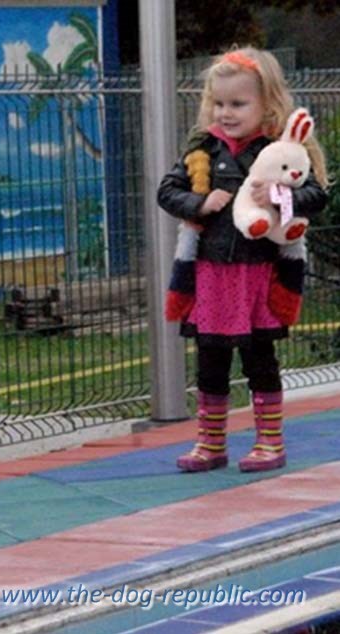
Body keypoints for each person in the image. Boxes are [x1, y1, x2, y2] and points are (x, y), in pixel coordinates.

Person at [157, 47, 328, 473]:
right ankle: (210, 442)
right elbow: (167, 191)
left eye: (238, 103)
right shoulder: (202, 151)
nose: (226, 112)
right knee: (210, 360)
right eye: (219, 103)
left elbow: (317, 194)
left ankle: (270, 441)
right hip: (212, 277)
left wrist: (279, 197)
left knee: (259, 359)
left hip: (260, 275)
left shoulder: (279, 152)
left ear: (267, 103)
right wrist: (199, 202)